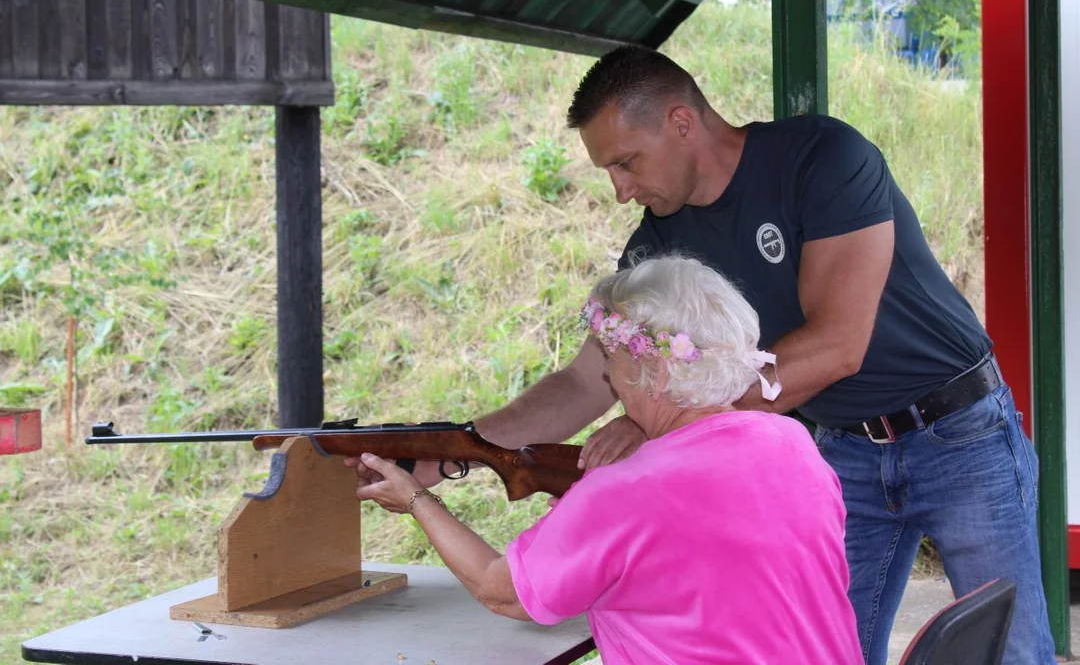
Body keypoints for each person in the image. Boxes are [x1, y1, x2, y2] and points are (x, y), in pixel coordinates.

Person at [354, 46, 1055, 664]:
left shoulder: (822, 159)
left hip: (957, 430)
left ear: (681, 123)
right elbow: (583, 381)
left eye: (626, 162)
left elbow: (839, 343)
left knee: (1015, 649)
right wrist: (460, 448)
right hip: (840, 446)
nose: (620, 189)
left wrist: (677, 421)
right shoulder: (659, 244)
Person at [348, 255, 863, 664]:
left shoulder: (626, 489)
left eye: (611, 360)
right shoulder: (794, 445)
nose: (610, 380)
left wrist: (416, 498)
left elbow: (500, 591)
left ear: (655, 372)